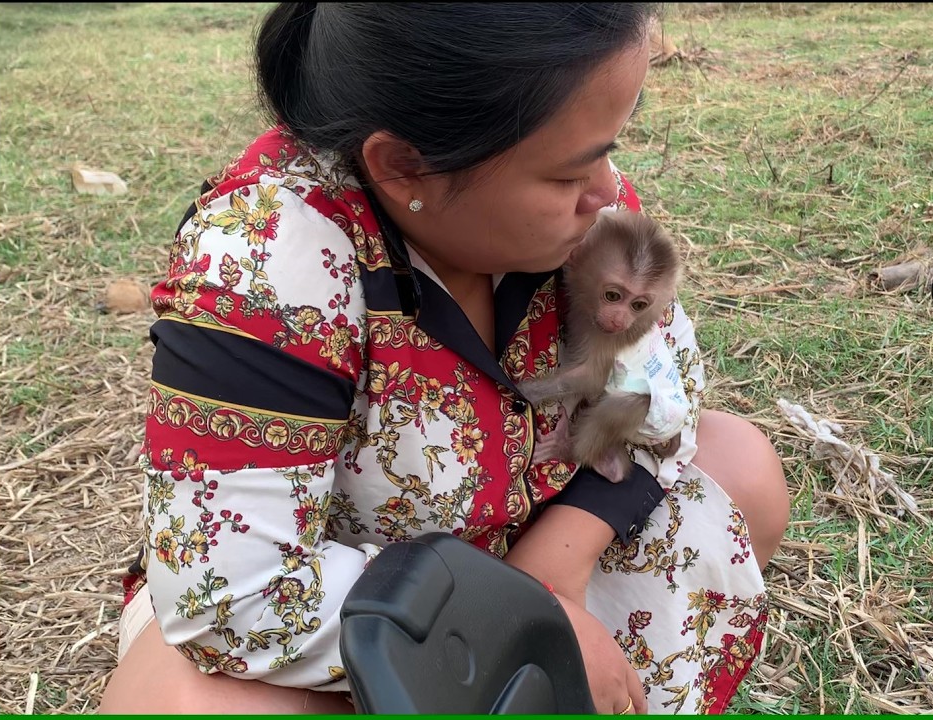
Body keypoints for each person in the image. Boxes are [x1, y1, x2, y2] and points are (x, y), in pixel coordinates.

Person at [98, 3, 789, 715]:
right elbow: (231, 591)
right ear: (404, 167)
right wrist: (515, 617)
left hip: (531, 538)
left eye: (607, 150)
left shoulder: (591, 229)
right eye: (564, 176)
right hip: (353, 600)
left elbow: (664, 394)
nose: (608, 191)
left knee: (742, 466)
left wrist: (559, 559)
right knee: (193, 705)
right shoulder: (267, 259)